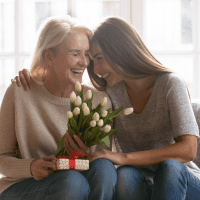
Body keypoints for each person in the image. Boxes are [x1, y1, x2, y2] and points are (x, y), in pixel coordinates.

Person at [11, 16, 200, 200]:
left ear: (121, 51)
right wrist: (34, 72)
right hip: (140, 178)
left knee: (169, 168)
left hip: (181, 180)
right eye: (92, 60)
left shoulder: (170, 84)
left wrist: (124, 157)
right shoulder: (111, 91)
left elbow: (189, 150)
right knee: (125, 176)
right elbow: (67, 79)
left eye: (99, 58)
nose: (96, 68)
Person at [0, 15, 117, 200]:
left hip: (75, 183)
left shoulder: (98, 100)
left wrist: (87, 155)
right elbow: (2, 158)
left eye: (86, 54)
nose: (85, 62)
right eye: (75, 54)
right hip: (24, 185)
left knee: (104, 168)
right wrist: (31, 167)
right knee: (71, 182)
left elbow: (103, 159)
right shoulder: (20, 92)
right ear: (49, 57)